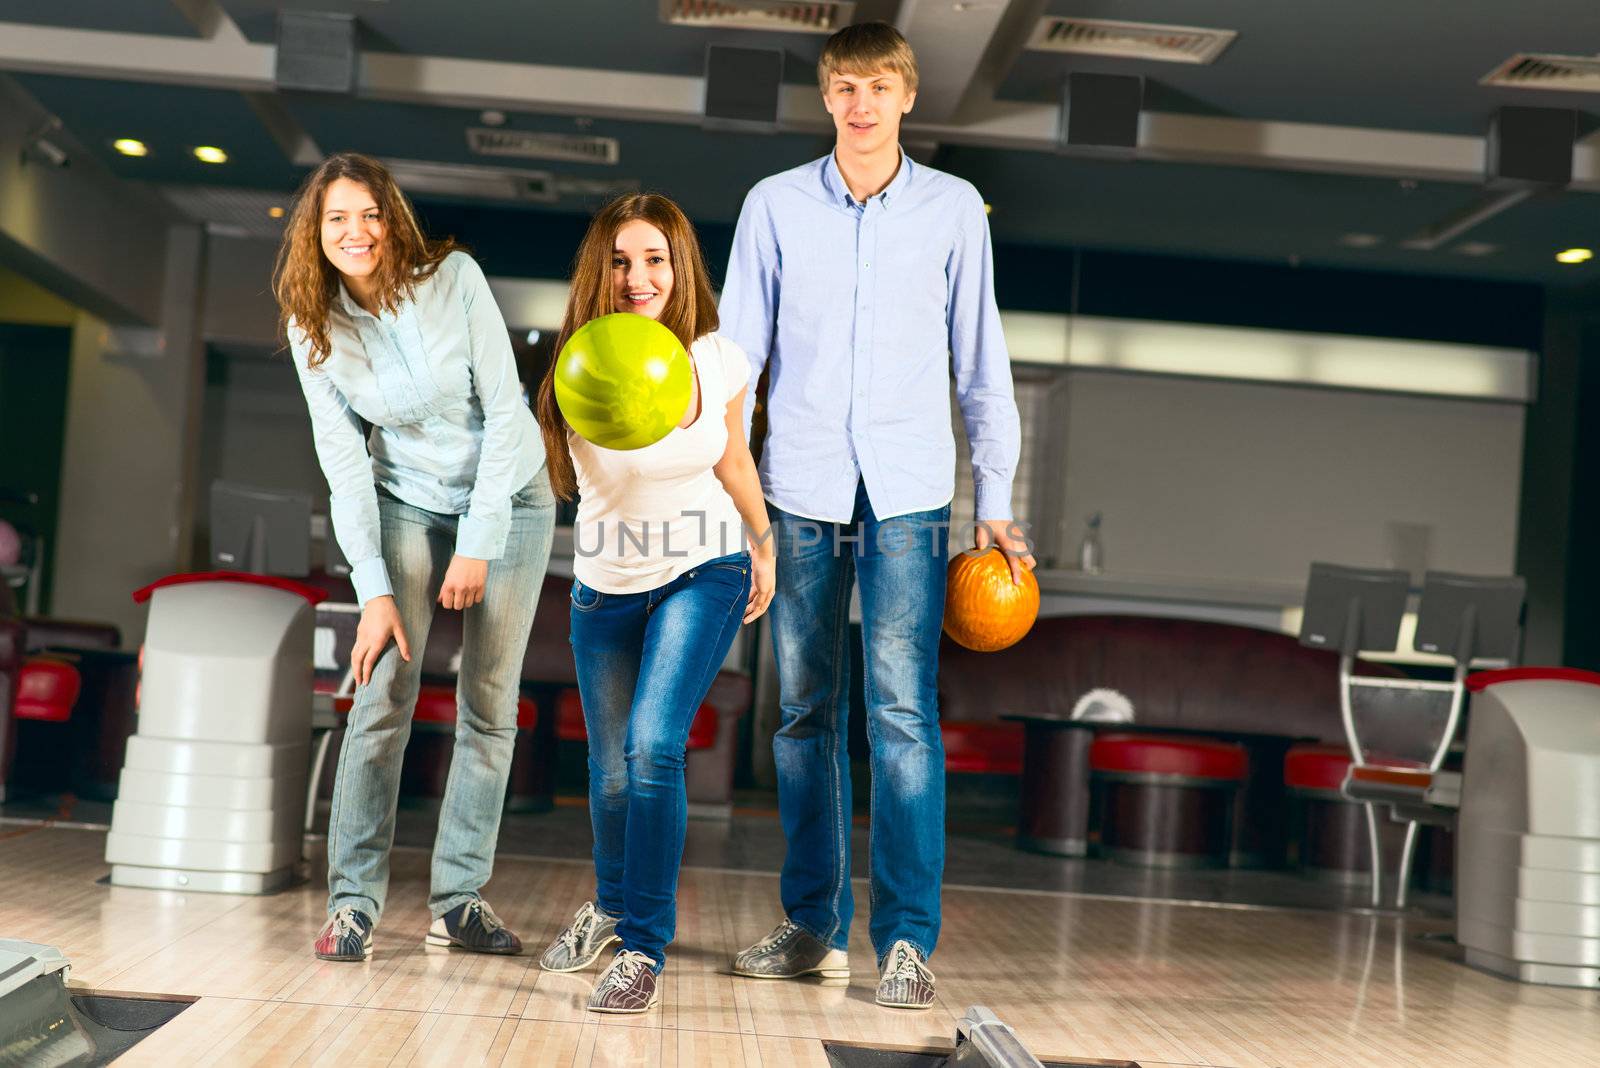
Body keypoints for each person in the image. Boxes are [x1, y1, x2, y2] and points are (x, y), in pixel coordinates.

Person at [718, 23, 1034, 1010]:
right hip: (798, 489)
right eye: (845, 87)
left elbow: (982, 362)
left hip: (907, 491)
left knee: (900, 713)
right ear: (826, 98)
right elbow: (732, 365)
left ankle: (903, 939)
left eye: (880, 86)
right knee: (804, 714)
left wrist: (998, 502)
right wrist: (732, 497)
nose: (861, 104)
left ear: (906, 97)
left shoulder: (951, 212)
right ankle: (813, 928)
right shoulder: (772, 206)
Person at [274, 152, 555, 962]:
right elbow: (344, 462)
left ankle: (459, 899)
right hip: (406, 502)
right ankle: (353, 903)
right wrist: (374, 590)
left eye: (369, 214)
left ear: (391, 218)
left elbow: (507, 413)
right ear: (316, 234)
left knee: (489, 703)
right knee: (382, 690)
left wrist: (479, 542)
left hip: (513, 496)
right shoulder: (314, 323)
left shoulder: (454, 279)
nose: (355, 231)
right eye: (337, 219)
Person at [531, 193, 774, 1014]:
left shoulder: (723, 359)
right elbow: (616, 467)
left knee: (652, 748)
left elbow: (733, 456)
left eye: (656, 260)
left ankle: (642, 948)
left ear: (682, 267)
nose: (639, 277)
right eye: (622, 261)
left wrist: (764, 540)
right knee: (606, 775)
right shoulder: (581, 360)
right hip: (605, 582)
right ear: (601, 271)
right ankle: (607, 905)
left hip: (704, 568)